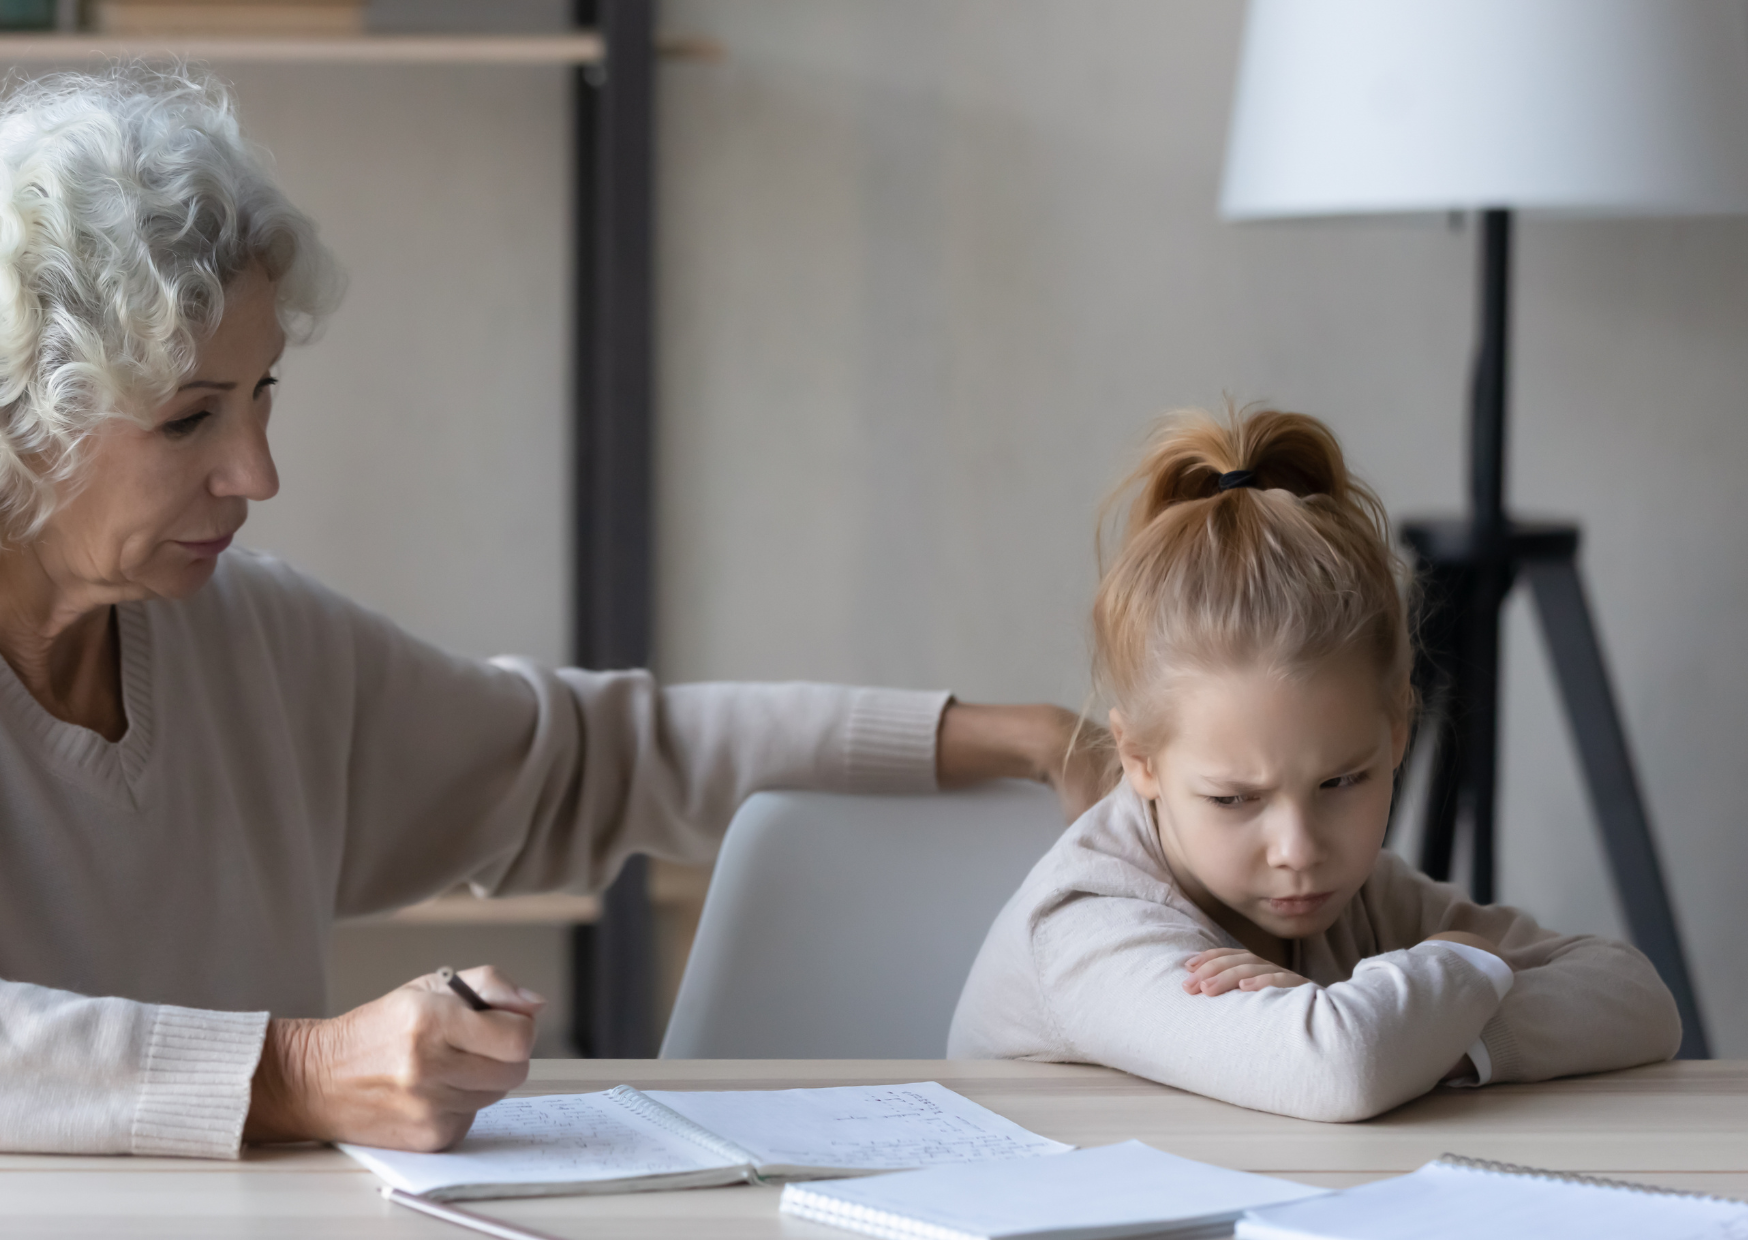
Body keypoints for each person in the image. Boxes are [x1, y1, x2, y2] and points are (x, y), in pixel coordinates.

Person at [0, 67, 1108, 1160]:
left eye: (263, 394)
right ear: (26, 413)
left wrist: (1007, 737)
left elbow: (604, 755)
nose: (256, 471)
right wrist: (298, 1071)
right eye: (191, 419)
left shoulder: (259, 642)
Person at [947, 407, 1682, 1122]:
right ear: (1139, 761)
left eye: (1341, 782)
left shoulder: (1363, 901)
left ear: (1397, 728)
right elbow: (1342, 1067)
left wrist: (1433, 1035)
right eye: (1235, 799)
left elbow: (1638, 998)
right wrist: (1459, 962)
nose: (1299, 850)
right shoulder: (1089, 925)